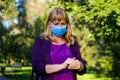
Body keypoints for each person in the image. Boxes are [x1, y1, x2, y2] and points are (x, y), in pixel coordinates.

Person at [32, 7, 86, 80]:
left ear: (67, 25)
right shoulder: (41, 41)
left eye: (63, 23)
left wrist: (79, 66)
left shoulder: (72, 42)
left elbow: (83, 70)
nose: (60, 26)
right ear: (49, 24)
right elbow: (37, 68)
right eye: (56, 23)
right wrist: (62, 66)